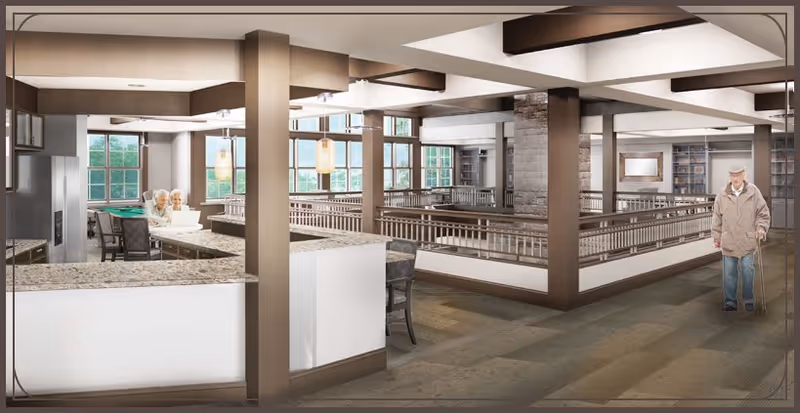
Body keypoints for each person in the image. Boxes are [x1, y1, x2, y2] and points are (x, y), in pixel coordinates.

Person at [711, 165, 770, 312]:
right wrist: (716, 237)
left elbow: (763, 213)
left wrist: (761, 229)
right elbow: (716, 217)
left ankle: (748, 299)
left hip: (747, 241)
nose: (735, 178)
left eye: (738, 175)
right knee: (729, 275)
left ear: (744, 175)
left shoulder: (753, 191)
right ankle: (730, 301)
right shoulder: (722, 195)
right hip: (728, 240)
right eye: (732, 175)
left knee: (747, 272)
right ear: (729, 177)